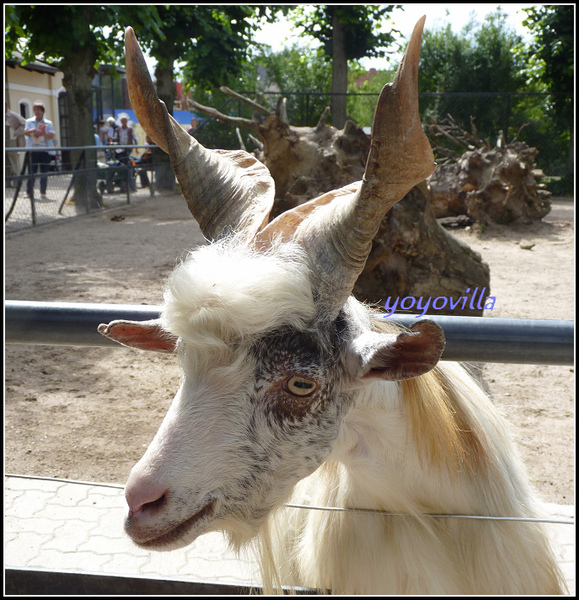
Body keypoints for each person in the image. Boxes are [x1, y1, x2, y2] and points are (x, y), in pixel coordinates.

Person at [24, 101, 55, 200]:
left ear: (42, 111)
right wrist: (33, 130)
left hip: (44, 151)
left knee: (44, 173)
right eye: (35, 110)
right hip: (33, 150)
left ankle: (43, 193)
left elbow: (51, 135)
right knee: (31, 172)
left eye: (38, 110)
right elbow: (26, 132)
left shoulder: (48, 123)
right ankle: (29, 192)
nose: (36, 112)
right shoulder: (29, 121)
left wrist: (43, 133)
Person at [5, 103, 27, 187]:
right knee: (5, 161)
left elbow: (24, 123)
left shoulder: (13, 115)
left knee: (13, 160)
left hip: (11, 140)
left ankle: (16, 181)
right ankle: (7, 181)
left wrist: (16, 133)